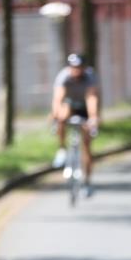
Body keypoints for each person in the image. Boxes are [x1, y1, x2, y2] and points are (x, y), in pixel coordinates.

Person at [51, 53, 100, 190]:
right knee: (61, 116)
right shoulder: (64, 76)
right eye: (73, 67)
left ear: (84, 68)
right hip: (70, 105)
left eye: (79, 67)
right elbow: (58, 98)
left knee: (87, 144)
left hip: (85, 107)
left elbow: (92, 98)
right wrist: (56, 115)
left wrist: (93, 118)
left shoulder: (90, 76)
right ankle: (61, 149)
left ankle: (87, 182)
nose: (76, 70)